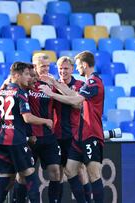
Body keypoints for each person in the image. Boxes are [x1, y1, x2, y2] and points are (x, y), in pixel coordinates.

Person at [40, 51, 105, 203]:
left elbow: (76, 101)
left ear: (83, 65)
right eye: (60, 69)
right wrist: (55, 85)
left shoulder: (91, 82)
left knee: (92, 174)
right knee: (69, 170)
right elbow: (74, 97)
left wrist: (52, 93)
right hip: (76, 135)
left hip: (90, 133)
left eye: (73, 66)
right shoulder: (88, 82)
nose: (64, 71)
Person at [0, 62, 53, 203]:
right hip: (16, 140)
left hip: (2, 139)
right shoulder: (20, 92)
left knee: (4, 180)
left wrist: (4, 85)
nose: (29, 77)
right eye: (26, 74)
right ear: (17, 75)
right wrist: (46, 121)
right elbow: (27, 117)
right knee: (30, 176)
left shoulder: (3, 90)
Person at [50, 56, 92, 203]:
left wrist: (57, 90)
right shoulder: (53, 86)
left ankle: (87, 201)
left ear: (72, 69)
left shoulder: (80, 85)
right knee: (59, 172)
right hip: (58, 134)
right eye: (60, 69)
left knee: (79, 170)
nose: (63, 71)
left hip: (75, 134)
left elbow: (78, 105)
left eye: (66, 68)